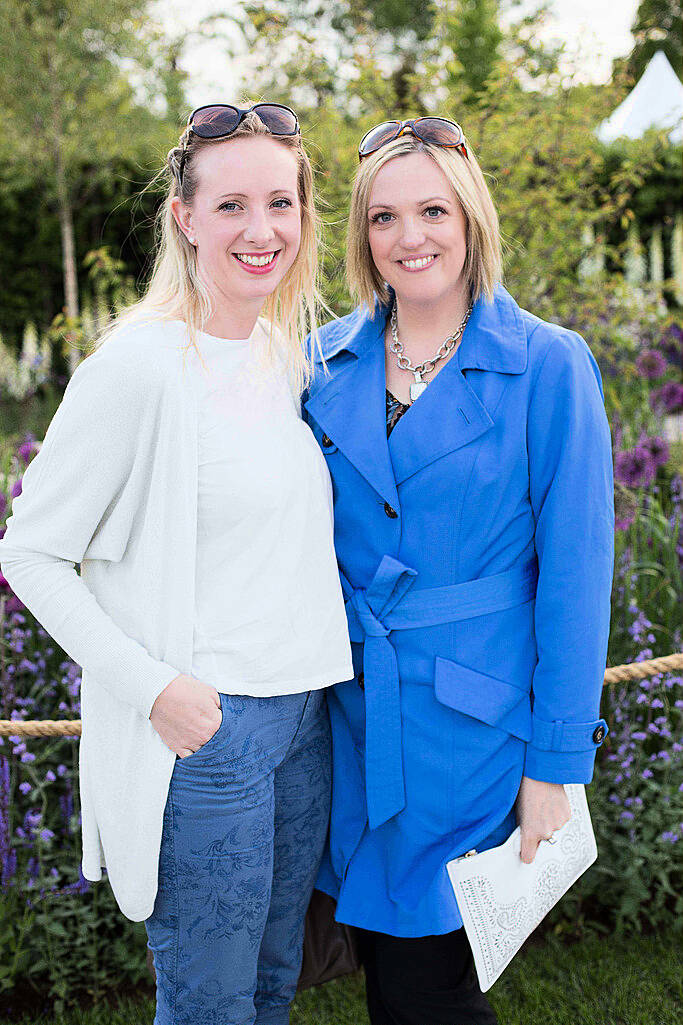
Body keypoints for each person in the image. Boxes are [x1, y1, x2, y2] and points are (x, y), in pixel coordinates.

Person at [0, 103, 353, 1025]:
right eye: (231, 204)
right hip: (210, 738)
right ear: (184, 218)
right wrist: (156, 688)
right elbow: (31, 551)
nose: (260, 228)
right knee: (208, 1009)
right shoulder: (137, 369)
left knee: (275, 991)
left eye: (281, 202)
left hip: (303, 725)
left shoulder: (282, 356)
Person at [303, 117, 614, 1025]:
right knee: (390, 981)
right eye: (384, 218)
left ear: (469, 217)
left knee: (425, 987)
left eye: (432, 210)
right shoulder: (322, 364)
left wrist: (553, 764)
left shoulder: (547, 365)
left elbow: (574, 577)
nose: (411, 238)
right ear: (362, 235)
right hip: (350, 716)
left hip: (476, 730)